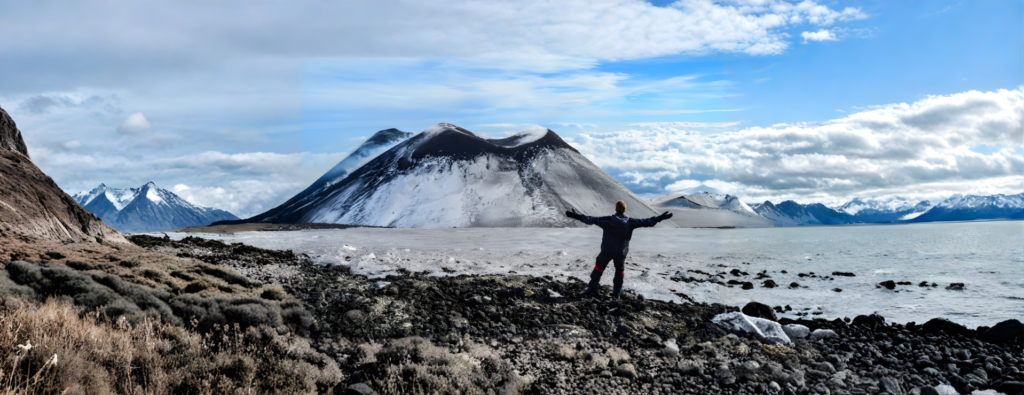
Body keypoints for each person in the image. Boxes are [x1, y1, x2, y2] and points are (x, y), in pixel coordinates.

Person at [565, 200, 672, 298]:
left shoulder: (607, 220)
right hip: (621, 253)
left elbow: (591, 220)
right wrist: (659, 218)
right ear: (624, 210)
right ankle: (616, 294)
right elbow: (646, 222)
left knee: (598, 268)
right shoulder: (630, 222)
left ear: (616, 209)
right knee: (619, 272)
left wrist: (577, 216)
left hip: (606, 250)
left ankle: (592, 289)